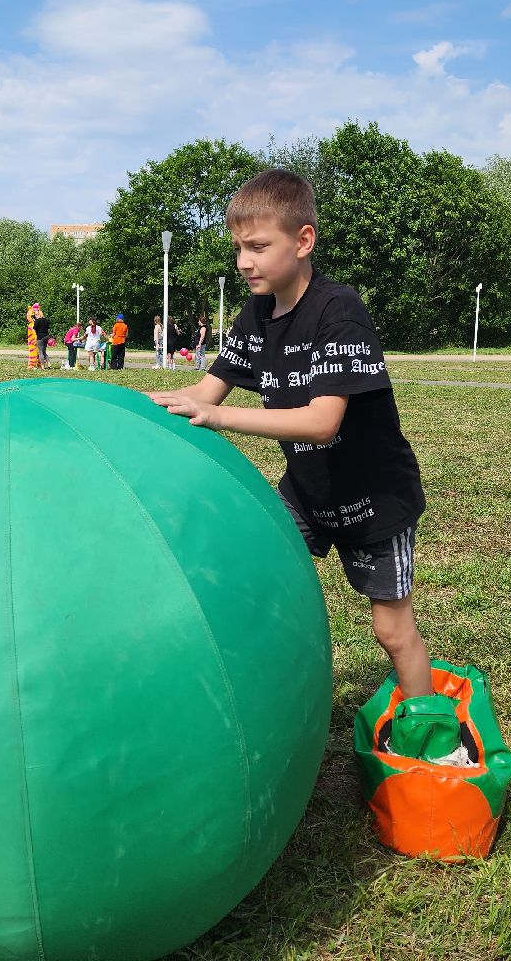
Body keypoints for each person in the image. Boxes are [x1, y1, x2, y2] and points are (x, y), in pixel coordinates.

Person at [148, 169, 431, 702]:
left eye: (258, 246)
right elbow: (207, 391)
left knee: (392, 630)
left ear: (303, 241)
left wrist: (219, 419)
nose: (243, 262)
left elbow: (321, 423)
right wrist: (139, 407)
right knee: (255, 582)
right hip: (305, 495)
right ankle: (265, 698)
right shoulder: (254, 315)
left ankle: (426, 728)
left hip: (374, 502)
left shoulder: (337, 310)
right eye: (238, 248)